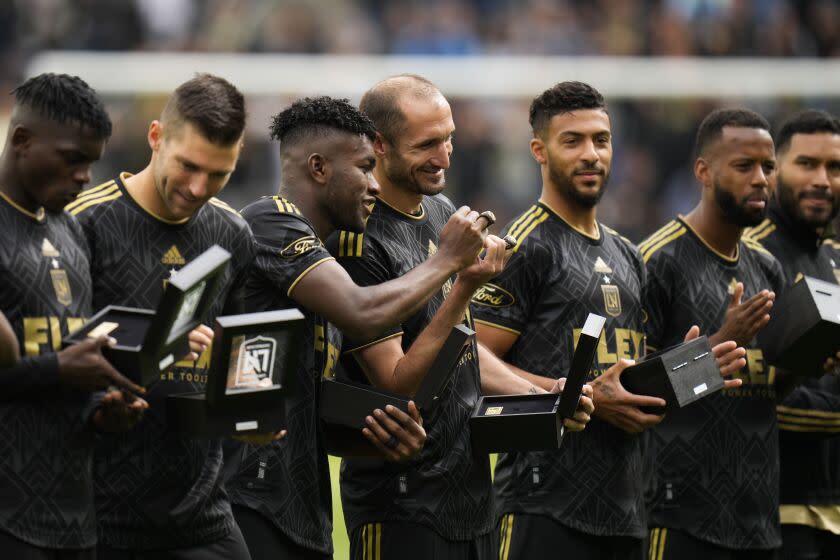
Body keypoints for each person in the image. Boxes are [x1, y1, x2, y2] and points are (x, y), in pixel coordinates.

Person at [472, 81, 744, 560]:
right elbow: (472, 357)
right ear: (540, 150)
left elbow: (627, 376)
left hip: (626, 510)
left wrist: (700, 367)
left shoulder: (628, 254)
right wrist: (582, 397)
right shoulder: (526, 244)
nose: (591, 154)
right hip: (543, 503)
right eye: (572, 141)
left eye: (601, 139)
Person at [329, 74, 595, 560]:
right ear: (380, 144)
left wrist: (543, 394)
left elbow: (462, 346)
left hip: (472, 497)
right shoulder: (357, 239)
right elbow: (396, 383)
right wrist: (462, 279)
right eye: (427, 144)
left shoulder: (440, 212)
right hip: (401, 505)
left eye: (449, 137)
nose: (445, 156)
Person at [225, 95, 495, 560]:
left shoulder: (324, 257)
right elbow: (362, 311)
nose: (374, 185)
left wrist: (371, 431)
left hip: (302, 509)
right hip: (253, 500)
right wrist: (450, 261)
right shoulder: (269, 221)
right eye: (364, 168)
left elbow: (291, 397)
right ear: (319, 168)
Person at [66, 73, 254, 559]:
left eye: (219, 174)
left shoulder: (232, 235)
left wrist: (252, 410)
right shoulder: (83, 223)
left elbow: (242, 355)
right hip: (100, 518)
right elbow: (52, 356)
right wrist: (104, 402)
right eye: (188, 165)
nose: (198, 187)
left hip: (204, 520)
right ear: (155, 137)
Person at [0, 73, 146, 559]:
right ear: (22, 140)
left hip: (76, 518)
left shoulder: (71, 230)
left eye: (91, 162)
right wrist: (59, 371)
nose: (84, 175)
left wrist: (105, 407)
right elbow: (54, 366)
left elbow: (67, 356)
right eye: (72, 159)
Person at [641, 108, 788, 558]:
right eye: (744, 167)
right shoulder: (656, 261)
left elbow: (770, 388)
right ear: (703, 172)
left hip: (759, 521)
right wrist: (721, 342)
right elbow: (635, 396)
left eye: (768, 167)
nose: (761, 179)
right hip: (678, 521)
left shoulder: (766, 268)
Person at [743, 110, 840, 559]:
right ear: (775, 169)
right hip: (773, 511)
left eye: (834, 168)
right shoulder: (750, 256)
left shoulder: (837, 258)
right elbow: (749, 396)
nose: (823, 180)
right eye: (807, 164)